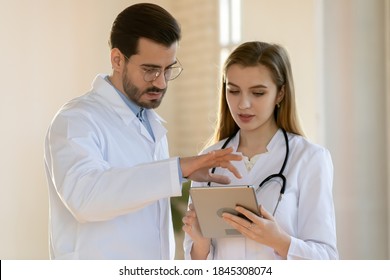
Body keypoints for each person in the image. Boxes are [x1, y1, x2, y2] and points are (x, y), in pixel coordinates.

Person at [44, 3, 242, 260]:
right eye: (150, 70)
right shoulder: (76, 120)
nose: (160, 82)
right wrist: (178, 168)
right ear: (117, 59)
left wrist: (181, 175)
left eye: (168, 69)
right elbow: (85, 198)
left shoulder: (150, 123)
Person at [182, 41, 338, 260]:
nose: (243, 104)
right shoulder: (208, 161)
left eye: (258, 93)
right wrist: (200, 244)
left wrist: (279, 241)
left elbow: (328, 259)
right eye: (233, 91)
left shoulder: (310, 158)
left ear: (280, 94)